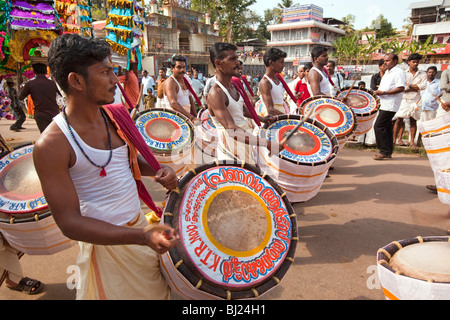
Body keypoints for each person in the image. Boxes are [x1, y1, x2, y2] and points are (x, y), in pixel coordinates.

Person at [34, 33, 179, 300]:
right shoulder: (52, 145)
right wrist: (141, 236)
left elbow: (128, 160)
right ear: (76, 81)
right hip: (107, 247)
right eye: (105, 72)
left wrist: (158, 171)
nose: (115, 80)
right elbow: (70, 223)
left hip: (138, 230)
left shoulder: (115, 115)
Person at [206, 42, 280, 164]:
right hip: (230, 148)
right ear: (219, 63)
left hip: (244, 140)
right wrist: (265, 143)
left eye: (237, 58)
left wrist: (262, 118)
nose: (237, 63)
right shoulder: (216, 94)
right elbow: (231, 129)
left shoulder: (233, 86)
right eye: (232, 59)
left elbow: (241, 110)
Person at [373, 53, 406, 160]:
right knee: (386, 128)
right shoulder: (387, 72)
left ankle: (383, 151)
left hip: (391, 104)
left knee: (379, 126)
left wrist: (384, 92)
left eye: (387, 61)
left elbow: (401, 88)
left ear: (395, 61)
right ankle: (387, 151)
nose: (385, 63)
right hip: (384, 103)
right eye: (384, 61)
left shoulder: (399, 72)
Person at [392, 53, 427, 149]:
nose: (415, 64)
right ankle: (394, 140)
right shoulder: (403, 73)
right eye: (413, 62)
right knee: (399, 119)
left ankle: (412, 142)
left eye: (417, 62)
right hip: (404, 99)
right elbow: (402, 87)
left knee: (413, 120)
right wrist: (414, 86)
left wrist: (410, 85)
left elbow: (423, 86)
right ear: (409, 62)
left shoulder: (423, 74)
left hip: (416, 99)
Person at [163, 55, 197, 121]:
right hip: (174, 120)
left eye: (184, 67)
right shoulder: (170, 82)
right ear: (172, 68)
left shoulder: (186, 79)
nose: (182, 70)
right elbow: (173, 103)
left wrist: (196, 117)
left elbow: (190, 99)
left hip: (186, 119)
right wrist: (191, 117)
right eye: (179, 67)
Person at [258, 47, 288, 116]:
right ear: (271, 62)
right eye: (281, 62)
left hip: (282, 115)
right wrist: (289, 117)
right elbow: (270, 110)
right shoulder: (265, 82)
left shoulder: (278, 79)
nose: (283, 65)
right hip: (274, 119)